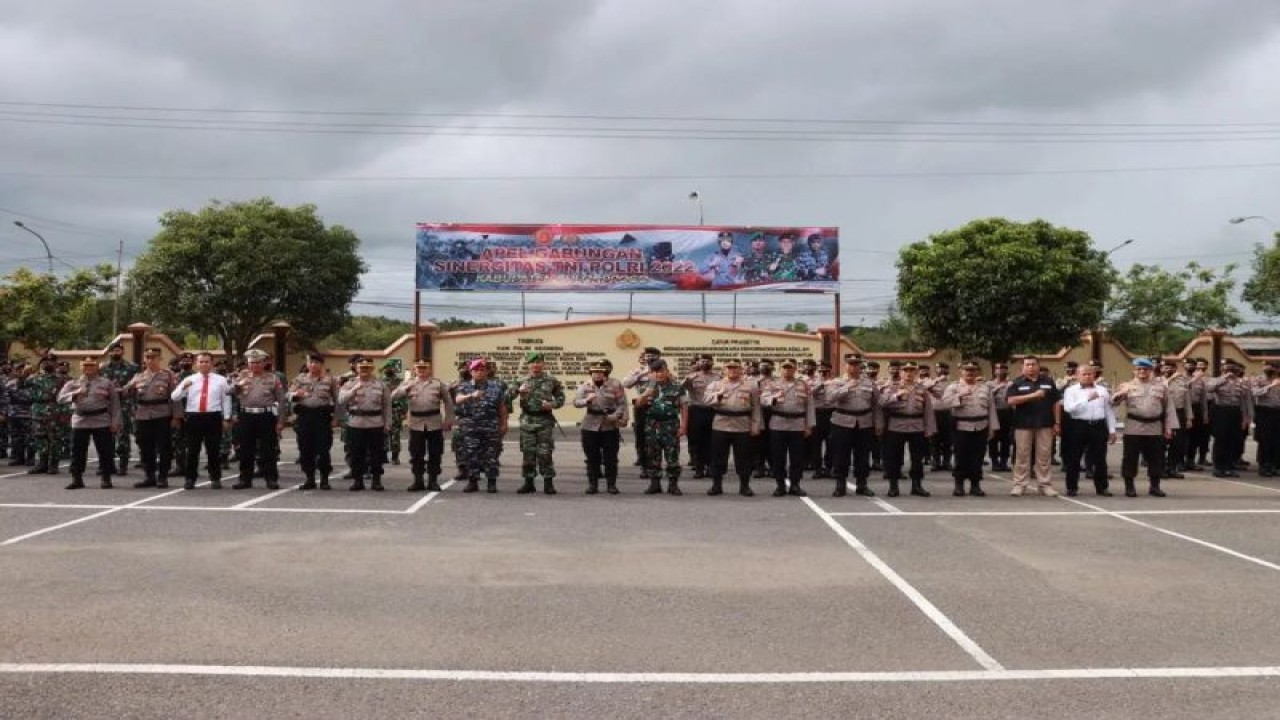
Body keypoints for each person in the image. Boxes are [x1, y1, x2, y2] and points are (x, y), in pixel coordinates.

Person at [1113, 358, 1178, 497]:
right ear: (1134, 371)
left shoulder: (1161, 387)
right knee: (1130, 458)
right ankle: (1129, 487)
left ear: (1151, 370)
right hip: (1133, 427)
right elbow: (1113, 403)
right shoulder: (1127, 385)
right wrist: (1121, 393)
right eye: (1139, 369)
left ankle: (1155, 486)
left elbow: (1169, 408)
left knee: (1156, 458)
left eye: (1145, 369)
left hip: (1154, 427)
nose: (1142, 372)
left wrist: (1169, 427)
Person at [57, 357, 122, 490]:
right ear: (81, 368)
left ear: (97, 367)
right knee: (77, 451)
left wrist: (115, 422)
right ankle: (77, 478)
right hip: (80, 420)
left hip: (101, 419)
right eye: (85, 366)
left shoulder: (106, 383)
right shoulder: (73, 383)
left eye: (92, 366)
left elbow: (115, 404)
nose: (88, 368)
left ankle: (106, 478)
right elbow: (60, 398)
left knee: (105, 451)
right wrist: (75, 394)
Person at [171, 352, 232, 490]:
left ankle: (215, 478)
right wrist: (183, 387)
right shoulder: (190, 379)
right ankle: (190, 478)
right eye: (201, 362)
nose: (204, 364)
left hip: (213, 417)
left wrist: (227, 417)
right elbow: (174, 397)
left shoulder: (221, 380)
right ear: (196, 364)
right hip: (194, 417)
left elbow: (226, 399)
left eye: (207, 361)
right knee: (192, 451)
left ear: (211, 363)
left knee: (213, 450)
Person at [392, 359, 454, 492]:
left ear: (429, 369)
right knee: (416, 453)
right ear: (414, 370)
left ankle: (433, 481)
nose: (421, 370)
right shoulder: (408, 383)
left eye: (424, 368)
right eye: (418, 368)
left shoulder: (438, 384)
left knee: (435, 453)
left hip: (434, 422)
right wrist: (405, 389)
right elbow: (393, 397)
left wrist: (448, 420)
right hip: (416, 423)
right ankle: (418, 480)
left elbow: (448, 403)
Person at [124, 347, 182, 489]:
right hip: (143, 415)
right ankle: (149, 476)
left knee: (164, 447)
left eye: (153, 357)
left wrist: (177, 416)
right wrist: (126, 389)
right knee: (145, 447)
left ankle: (162, 476)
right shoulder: (138, 376)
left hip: (162, 414)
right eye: (147, 357)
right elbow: (126, 392)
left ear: (159, 359)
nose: (150, 360)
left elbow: (175, 397)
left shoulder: (168, 376)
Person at [229, 349, 286, 490]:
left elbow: (282, 400)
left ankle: (271, 479)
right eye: (251, 362)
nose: (254, 365)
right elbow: (228, 392)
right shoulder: (241, 376)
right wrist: (237, 385)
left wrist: (280, 421)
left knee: (268, 449)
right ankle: (245, 479)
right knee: (245, 449)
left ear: (264, 363)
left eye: (258, 362)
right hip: (246, 416)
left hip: (266, 416)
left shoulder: (273, 378)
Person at [703, 359, 761, 496]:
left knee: (744, 458)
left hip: (742, 425)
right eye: (729, 368)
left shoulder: (751, 386)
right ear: (724, 370)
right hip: (721, 424)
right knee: (718, 457)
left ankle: (745, 486)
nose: (732, 370)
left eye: (735, 368)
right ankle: (716, 486)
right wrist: (718, 395)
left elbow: (756, 407)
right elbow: (705, 401)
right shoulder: (715, 384)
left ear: (741, 370)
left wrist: (756, 425)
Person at [509, 352, 565, 495]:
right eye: (533, 362)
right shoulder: (521, 380)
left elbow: (560, 398)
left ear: (543, 364)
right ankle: (529, 483)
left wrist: (552, 404)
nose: (536, 365)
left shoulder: (551, 380)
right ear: (528, 364)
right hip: (527, 420)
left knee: (545, 453)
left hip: (544, 421)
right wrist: (517, 390)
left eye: (539, 362)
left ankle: (548, 483)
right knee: (528, 453)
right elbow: (506, 397)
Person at [825, 354, 880, 497]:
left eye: (856, 364)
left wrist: (878, 423)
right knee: (841, 454)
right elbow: (829, 399)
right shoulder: (836, 382)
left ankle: (862, 484)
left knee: (862, 454)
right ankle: (840, 484)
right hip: (842, 421)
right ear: (845, 365)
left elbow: (876, 404)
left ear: (860, 366)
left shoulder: (869, 383)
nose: (853, 367)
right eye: (850, 364)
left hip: (864, 422)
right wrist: (847, 387)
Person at [940, 362, 998, 497]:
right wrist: (959, 396)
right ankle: (959, 485)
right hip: (961, 426)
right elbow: (944, 403)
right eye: (967, 370)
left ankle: (975, 485)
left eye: (973, 370)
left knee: (978, 457)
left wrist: (993, 427)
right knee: (961, 456)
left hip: (981, 425)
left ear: (977, 372)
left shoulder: (985, 388)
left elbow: (991, 408)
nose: (970, 372)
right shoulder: (953, 387)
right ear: (961, 371)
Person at [878, 361, 936, 497]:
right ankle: (893, 486)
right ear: (900, 372)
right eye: (906, 370)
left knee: (917, 458)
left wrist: (929, 428)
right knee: (894, 457)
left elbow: (928, 410)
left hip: (917, 425)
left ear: (916, 373)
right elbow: (881, 403)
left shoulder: (922, 388)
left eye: (912, 371)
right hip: (896, 425)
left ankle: (916, 485)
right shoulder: (891, 387)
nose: (909, 373)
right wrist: (896, 396)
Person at [1006, 356, 1061, 497]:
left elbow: (1056, 403)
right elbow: (1011, 400)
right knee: (1022, 455)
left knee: (1044, 456)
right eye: (1027, 364)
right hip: (1023, 424)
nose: (1030, 367)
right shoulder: (1016, 383)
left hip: (1045, 423)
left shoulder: (1048, 382)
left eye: (1033, 364)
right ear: (1023, 367)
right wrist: (1032, 396)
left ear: (1038, 366)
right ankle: (1019, 484)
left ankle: (1045, 485)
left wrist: (1057, 422)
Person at [761, 359, 815, 497]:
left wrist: (809, 425)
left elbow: (809, 406)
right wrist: (773, 398)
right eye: (784, 367)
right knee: (778, 457)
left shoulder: (803, 385)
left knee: (797, 458)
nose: (787, 370)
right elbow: (763, 400)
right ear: (780, 369)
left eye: (790, 367)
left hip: (797, 424)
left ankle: (795, 485)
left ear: (795, 369)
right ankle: (780, 485)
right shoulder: (772, 384)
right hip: (778, 423)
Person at [453, 358, 509, 492]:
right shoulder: (464, 386)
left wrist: (504, 424)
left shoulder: (496, 387)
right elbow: (458, 399)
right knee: (471, 454)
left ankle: (492, 482)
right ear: (471, 372)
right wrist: (471, 396)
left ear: (487, 372)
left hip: (490, 425)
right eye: (476, 370)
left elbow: (502, 408)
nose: (479, 372)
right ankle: (473, 481)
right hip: (470, 426)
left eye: (482, 370)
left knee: (491, 455)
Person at [337, 358, 392, 491]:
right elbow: (341, 400)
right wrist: (354, 390)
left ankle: (376, 480)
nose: (364, 371)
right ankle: (358, 480)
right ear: (357, 369)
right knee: (356, 453)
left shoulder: (380, 385)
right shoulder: (350, 384)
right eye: (362, 368)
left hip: (375, 422)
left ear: (372, 369)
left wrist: (388, 423)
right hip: (356, 422)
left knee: (376, 454)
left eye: (367, 368)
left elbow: (387, 405)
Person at [1060, 365, 1116, 497]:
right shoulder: (1071, 390)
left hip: (1098, 425)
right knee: (1074, 458)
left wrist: (1112, 429)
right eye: (1084, 374)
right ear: (1077, 375)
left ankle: (1102, 487)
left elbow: (1108, 410)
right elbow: (1069, 409)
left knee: (1100, 458)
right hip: (1078, 425)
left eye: (1090, 373)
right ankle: (1072, 487)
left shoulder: (1102, 390)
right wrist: (1087, 399)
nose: (1088, 376)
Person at [574, 362, 628, 494]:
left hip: (609, 426)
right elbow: (576, 402)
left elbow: (622, 403)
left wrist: (617, 415)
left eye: (600, 372)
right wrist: (586, 400)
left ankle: (611, 485)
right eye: (594, 372)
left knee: (611, 457)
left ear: (605, 373)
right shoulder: (584, 386)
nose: (597, 374)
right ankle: (593, 485)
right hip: (590, 425)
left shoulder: (615, 385)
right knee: (592, 457)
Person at [636, 358, 689, 495]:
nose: (658, 374)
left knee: (672, 455)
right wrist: (647, 393)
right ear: (651, 373)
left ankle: (673, 484)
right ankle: (655, 484)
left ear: (667, 371)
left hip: (670, 424)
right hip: (652, 425)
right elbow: (638, 405)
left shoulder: (677, 387)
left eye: (661, 371)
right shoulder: (646, 386)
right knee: (653, 455)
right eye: (655, 371)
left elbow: (684, 407)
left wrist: (683, 426)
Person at [289, 353, 341, 491]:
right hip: (305, 416)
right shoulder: (299, 379)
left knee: (323, 449)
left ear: (321, 365)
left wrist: (336, 418)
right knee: (305, 449)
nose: (313, 365)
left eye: (316, 362)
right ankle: (309, 478)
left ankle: (324, 479)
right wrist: (295, 395)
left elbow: (337, 401)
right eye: (311, 362)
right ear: (307, 364)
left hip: (322, 417)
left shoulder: (330, 381)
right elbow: (288, 395)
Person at [100, 341, 140, 476]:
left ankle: (123, 465)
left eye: (118, 350)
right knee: (105, 436)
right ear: (109, 352)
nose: (116, 353)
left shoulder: (132, 368)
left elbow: (136, 386)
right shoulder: (102, 368)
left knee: (123, 436)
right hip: (106, 406)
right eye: (113, 350)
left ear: (123, 352)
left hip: (124, 405)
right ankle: (106, 465)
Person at [1206, 360, 1251, 478]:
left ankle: (1229, 466)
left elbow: (1244, 402)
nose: (1229, 370)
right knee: (1221, 440)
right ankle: (1218, 467)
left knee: (1233, 440)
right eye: (1226, 368)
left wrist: (1245, 418)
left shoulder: (1240, 383)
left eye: (1232, 368)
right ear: (1222, 369)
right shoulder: (1215, 380)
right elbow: (1209, 389)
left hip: (1235, 412)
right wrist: (1224, 378)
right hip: (1221, 411)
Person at [26, 354, 67, 475]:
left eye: (51, 361)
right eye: (45, 361)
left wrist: (66, 413)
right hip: (38, 410)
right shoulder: (34, 378)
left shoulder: (62, 379)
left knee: (55, 439)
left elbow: (67, 397)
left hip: (54, 411)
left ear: (55, 364)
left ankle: (53, 465)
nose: (47, 363)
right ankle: (42, 464)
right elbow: (20, 385)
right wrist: (24, 374)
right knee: (39, 438)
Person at [622, 347, 661, 467]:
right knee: (640, 432)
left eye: (652, 356)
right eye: (647, 356)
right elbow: (626, 384)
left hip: (658, 405)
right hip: (642, 405)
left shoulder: (664, 370)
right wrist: (642, 374)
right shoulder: (637, 371)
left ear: (658, 357)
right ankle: (641, 457)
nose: (649, 358)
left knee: (658, 433)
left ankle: (655, 459)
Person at [682, 353, 719, 479]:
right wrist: (688, 381)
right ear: (698, 363)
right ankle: (699, 468)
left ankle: (710, 467)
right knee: (696, 440)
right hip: (696, 411)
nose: (704, 363)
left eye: (707, 361)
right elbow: (682, 390)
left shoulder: (718, 377)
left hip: (712, 411)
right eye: (702, 361)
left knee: (712, 440)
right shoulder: (691, 377)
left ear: (712, 363)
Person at [1252, 363, 1280, 477]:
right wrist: (1270, 386)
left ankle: (1273, 465)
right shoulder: (1259, 380)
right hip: (1264, 412)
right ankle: (1263, 465)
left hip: (1277, 412)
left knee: (1276, 440)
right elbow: (1255, 393)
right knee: (1265, 440)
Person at [926, 362, 954, 472]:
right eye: (938, 368)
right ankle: (935, 462)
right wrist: (937, 380)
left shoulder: (951, 383)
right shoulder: (931, 381)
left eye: (943, 368)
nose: (940, 370)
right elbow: (925, 387)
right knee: (934, 439)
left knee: (948, 440)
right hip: (934, 413)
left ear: (947, 370)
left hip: (948, 413)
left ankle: (947, 462)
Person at [986, 362, 1013, 471]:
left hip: (1007, 412)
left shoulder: (1011, 383)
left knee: (1006, 439)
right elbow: (987, 396)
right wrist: (998, 387)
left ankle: (1004, 462)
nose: (1000, 371)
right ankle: (994, 462)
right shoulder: (989, 384)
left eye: (1003, 369)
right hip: (994, 412)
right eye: (998, 369)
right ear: (994, 371)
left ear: (1007, 371)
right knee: (993, 438)